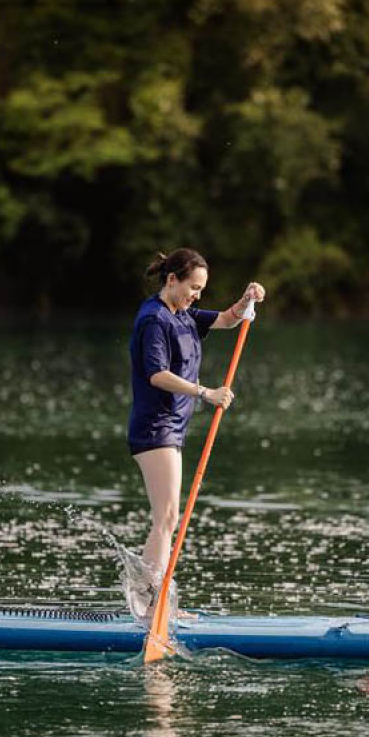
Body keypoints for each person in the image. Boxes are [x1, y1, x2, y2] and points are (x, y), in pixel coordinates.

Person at [127, 247, 265, 619]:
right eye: (193, 288)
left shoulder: (183, 314)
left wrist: (247, 300)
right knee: (166, 517)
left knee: (168, 518)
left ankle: (154, 603)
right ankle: (150, 605)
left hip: (171, 429)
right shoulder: (154, 319)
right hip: (155, 428)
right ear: (172, 280)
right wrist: (205, 393)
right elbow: (157, 375)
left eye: (201, 290)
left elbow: (227, 319)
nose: (197, 296)